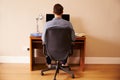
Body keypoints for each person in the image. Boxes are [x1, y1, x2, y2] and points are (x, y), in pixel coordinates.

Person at [42, 3, 75, 68]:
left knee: (46, 44)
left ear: (53, 12)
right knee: (66, 44)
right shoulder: (68, 24)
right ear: (62, 12)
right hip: (64, 50)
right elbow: (73, 38)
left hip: (51, 50)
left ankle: (49, 64)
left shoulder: (47, 24)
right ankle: (64, 63)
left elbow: (43, 39)